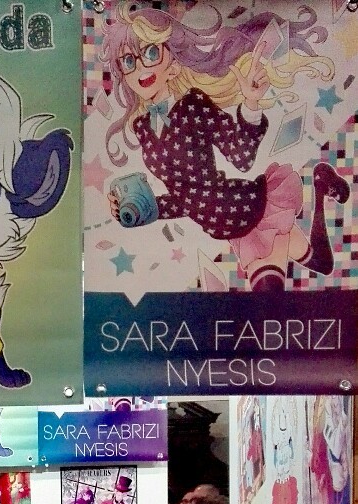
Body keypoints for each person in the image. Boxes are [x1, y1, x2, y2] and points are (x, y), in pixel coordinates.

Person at [104, 5, 349, 291]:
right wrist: (138, 209)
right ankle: (320, 183)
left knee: (276, 295)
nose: (141, 68)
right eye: (128, 61)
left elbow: (241, 157)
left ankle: (320, 182)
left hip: (250, 210)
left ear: (173, 62)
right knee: (322, 263)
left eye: (151, 53)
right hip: (229, 228)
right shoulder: (143, 128)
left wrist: (251, 103)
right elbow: (184, 197)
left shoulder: (193, 105)